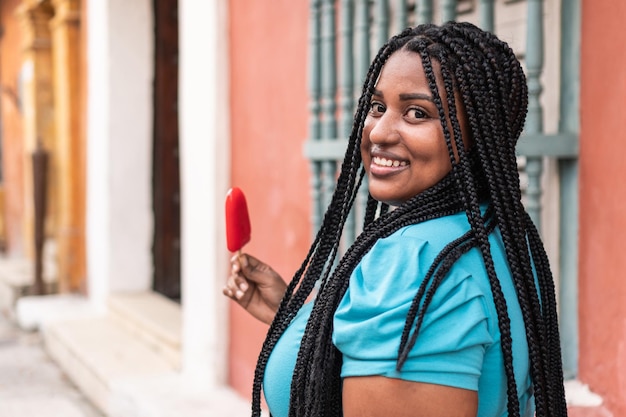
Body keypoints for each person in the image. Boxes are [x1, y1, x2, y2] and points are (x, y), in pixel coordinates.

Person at [223, 21, 568, 417]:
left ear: (477, 131)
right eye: (377, 107)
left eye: (417, 113)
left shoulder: (412, 267)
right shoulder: (502, 235)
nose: (379, 132)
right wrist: (301, 317)